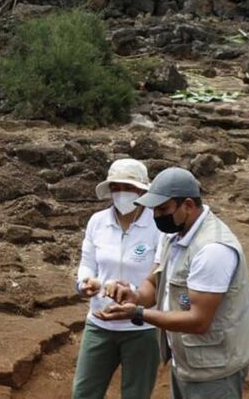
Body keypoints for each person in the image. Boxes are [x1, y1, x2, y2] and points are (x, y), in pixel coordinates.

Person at [101, 167, 249, 399]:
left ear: (188, 205)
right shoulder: (173, 234)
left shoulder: (212, 249)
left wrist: (138, 313)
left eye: (163, 209)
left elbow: (198, 321)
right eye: (154, 209)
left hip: (215, 370)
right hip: (187, 360)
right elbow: (154, 283)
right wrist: (134, 294)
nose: (156, 216)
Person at [72, 159, 161, 399]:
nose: (121, 193)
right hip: (100, 322)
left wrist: (133, 292)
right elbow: (88, 262)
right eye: (115, 187)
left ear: (142, 190)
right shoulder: (97, 222)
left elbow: (158, 275)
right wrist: (84, 283)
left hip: (142, 326)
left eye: (128, 187)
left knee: (136, 394)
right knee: (84, 393)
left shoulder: (157, 225)